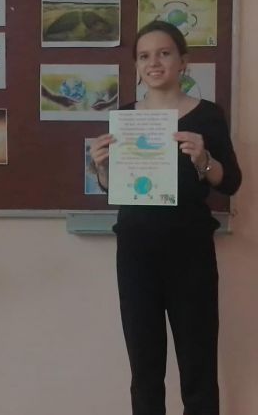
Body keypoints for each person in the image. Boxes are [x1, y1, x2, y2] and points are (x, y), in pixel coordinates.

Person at [90, 20, 242, 415]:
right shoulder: (126, 117)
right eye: (144, 56)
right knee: (144, 368)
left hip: (190, 252)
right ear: (137, 67)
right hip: (136, 253)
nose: (153, 62)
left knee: (198, 366)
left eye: (164, 53)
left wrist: (204, 160)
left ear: (183, 62)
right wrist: (102, 169)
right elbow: (116, 189)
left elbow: (231, 182)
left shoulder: (207, 116)